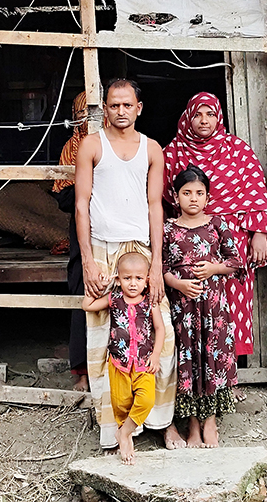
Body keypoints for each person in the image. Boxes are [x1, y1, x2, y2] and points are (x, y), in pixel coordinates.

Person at [74, 78, 177, 451]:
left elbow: (155, 206)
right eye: (113, 105)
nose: (120, 111)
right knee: (104, 338)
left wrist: (156, 265)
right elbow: (81, 204)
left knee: (161, 336)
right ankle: (113, 427)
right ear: (106, 109)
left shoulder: (152, 149)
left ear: (139, 108)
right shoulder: (91, 145)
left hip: (141, 250)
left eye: (126, 104)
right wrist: (87, 260)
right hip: (102, 247)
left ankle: (161, 421)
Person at [162, 92, 267, 364]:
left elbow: (256, 192)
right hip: (188, 244)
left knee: (232, 307)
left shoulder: (237, 150)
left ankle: (228, 374)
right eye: (198, 114)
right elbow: (159, 196)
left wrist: (259, 233)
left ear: (219, 117)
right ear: (188, 117)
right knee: (191, 308)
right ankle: (194, 372)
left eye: (210, 114)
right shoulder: (173, 151)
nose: (204, 121)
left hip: (231, 243)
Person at [163, 165, 242, 448]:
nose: (193, 198)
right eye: (187, 193)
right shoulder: (167, 229)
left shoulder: (217, 225)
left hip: (213, 310)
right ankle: (192, 425)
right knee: (190, 362)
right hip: (183, 309)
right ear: (176, 196)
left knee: (210, 361)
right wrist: (179, 284)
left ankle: (210, 423)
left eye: (199, 193)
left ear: (208, 197)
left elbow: (236, 262)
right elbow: (160, 268)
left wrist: (213, 268)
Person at [81, 252, 163, 464]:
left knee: (146, 400)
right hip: (119, 364)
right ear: (119, 279)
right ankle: (124, 435)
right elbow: (87, 305)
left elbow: (160, 329)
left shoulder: (150, 303)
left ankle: (124, 433)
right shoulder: (113, 299)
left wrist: (155, 356)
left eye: (138, 278)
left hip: (144, 364)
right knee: (121, 403)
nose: (133, 284)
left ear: (147, 280)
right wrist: (102, 285)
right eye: (127, 278)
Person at [52, 91, 92, 391]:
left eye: (92, 111)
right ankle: (82, 371)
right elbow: (63, 198)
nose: (87, 118)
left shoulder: (121, 145)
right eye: (82, 112)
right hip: (82, 230)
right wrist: (90, 187)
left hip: (117, 228)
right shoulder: (71, 148)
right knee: (82, 294)